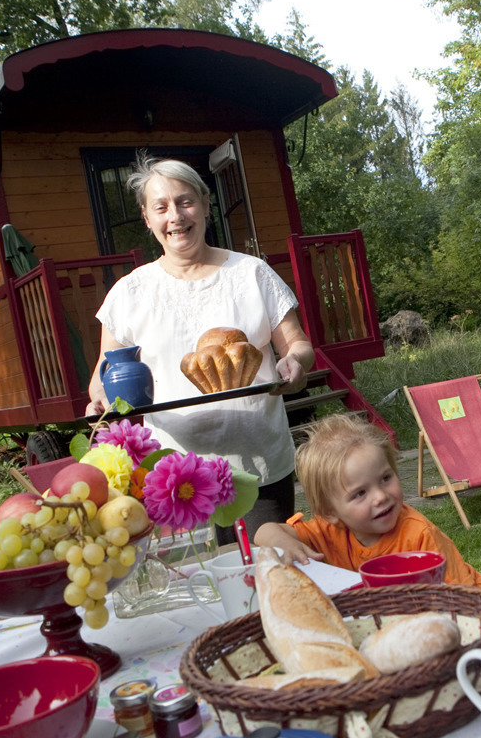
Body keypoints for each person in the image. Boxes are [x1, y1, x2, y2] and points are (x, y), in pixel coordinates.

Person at [86, 155, 315, 544]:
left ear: (206, 205)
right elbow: (102, 379)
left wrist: (294, 362)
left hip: (257, 466)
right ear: (147, 218)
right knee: (197, 578)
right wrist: (101, 403)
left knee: (268, 568)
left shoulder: (251, 273)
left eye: (185, 201)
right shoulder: (129, 293)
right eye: (161, 207)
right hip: (172, 478)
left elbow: (298, 344)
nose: (175, 216)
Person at [253, 413, 481, 597]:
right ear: (330, 512)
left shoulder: (418, 535)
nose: (380, 496)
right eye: (360, 493)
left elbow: (463, 599)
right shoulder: (327, 531)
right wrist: (287, 544)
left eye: (385, 478)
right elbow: (263, 532)